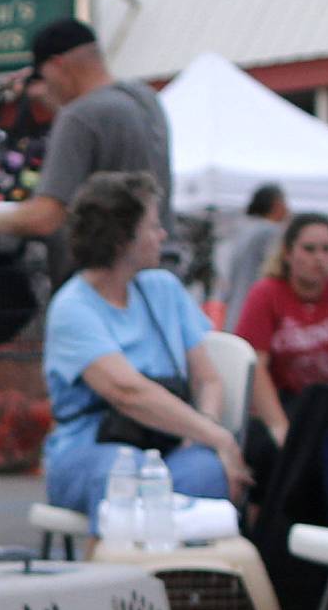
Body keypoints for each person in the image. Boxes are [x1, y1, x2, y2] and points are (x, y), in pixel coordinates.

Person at [41, 172, 248, 520]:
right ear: (122, 240)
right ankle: (121, 570)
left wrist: (203, 430)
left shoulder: (164, 289)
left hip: (169, 443)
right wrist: (218, 437)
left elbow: (207, 379)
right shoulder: (73, 308)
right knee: (126, 474)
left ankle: (189, 572)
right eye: (152, 227)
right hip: (90, 450)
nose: (162, 235)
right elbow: (128, 392)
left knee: (206, 473)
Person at [0, 18, 174, 292]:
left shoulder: (78, 117)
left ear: (58, 65)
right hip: (158, 273)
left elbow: (44, 218)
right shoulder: (145, 98)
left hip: (104, 287)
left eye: (45, 76)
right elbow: (97, 132)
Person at [237, 212, 328, 436]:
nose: (319, 258)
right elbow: (256, 367)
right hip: (283, 403)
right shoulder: (266, 293)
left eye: (327, 249)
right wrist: (279, 427)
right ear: (288, 253)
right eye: (309, 249)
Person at [222, 183, 289, 326]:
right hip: (255, 313)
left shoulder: (242, 229)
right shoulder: (269, 232)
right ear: (277, 205)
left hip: (235, 311)